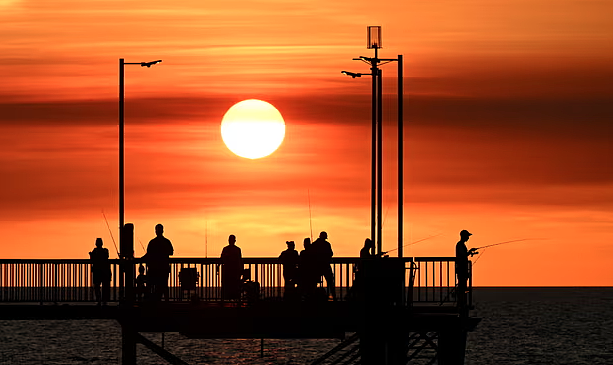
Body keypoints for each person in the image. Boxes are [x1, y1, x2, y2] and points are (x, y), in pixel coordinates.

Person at [142, 224, 174, 301]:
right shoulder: (166, 242)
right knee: (164, 285)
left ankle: (153, 301)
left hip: (154, 269)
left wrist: (140, 259)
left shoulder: (152, 242)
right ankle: (165, 301)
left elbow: (148, 254)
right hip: (163, 268)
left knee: (153, 285)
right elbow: (171, 252)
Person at [456, 230, 477, 312]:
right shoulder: (460, 245)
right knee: (462, 287)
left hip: (462, 269)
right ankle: (461, 303)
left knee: (463, 286)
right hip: (461, 269)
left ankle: (462, 303)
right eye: (467, 236)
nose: (468, 237)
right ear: (463, 236)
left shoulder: (461, 245)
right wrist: (469, 252)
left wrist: (470, 252)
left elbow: (464, 255)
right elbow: (462, 256)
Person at [311, 231, 336, 300]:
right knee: (330, 281)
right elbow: (331, 253)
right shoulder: (327, 244)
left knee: (314, 282)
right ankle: (333, 296)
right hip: (325, 265)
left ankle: (312, 296)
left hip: (317, 266)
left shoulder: (315, 244)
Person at [220, 234, 243, 300]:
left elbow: (222, 258)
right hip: (234, 272)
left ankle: (226, 301)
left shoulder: (226, 249)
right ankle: (236, 301)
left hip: (228, 272)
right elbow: (240, 260)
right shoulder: (237, 249)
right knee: (235, 287)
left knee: (228, 287)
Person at [89, 238, 111, 305]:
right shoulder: (105, 250)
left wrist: (91, 254)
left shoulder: (95, 251)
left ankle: (99, 300)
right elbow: (106, 257)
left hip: (97, 272)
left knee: (97, 287)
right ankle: (104, 301)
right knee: (104, 287)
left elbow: (92, 259)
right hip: (105, 272)